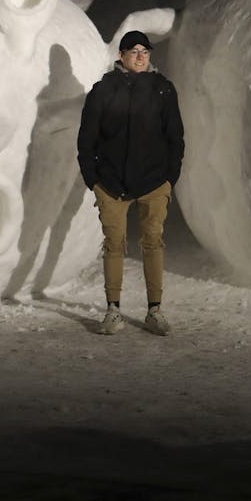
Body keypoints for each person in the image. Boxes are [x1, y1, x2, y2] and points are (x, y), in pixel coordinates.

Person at [76, 30, 184, 336]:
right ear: (121, 55)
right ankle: (113, 311)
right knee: (114, 245)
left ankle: (155, 311)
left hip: (153, 182)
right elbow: (87, 140)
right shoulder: (103, 90)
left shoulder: (163, 90)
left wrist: (169, 177)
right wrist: (93, 179)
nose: (140, 56)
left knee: (153, 243)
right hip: (111, 183)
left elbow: (175, 136)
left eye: (145, 52)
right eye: (133, 51)